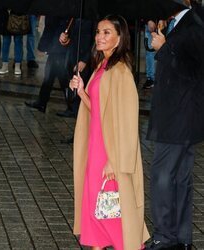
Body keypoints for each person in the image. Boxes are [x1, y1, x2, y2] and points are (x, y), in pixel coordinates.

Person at [70, 15, 149, 250]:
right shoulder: (102, 67)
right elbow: (100, 111)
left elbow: (126, 121)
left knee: (115, 218)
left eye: (106, 32)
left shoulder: (121, 72)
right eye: (97, 32)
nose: (99, 37)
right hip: (94, 151)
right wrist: (83, 92)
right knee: (96, 215)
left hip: (110, 154)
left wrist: (114, 161)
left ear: (119, 38)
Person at [145, 0, 204, 249]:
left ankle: (164, 236)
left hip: (179, 116)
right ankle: (181, 238)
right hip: (182, 116)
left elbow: (195, 72)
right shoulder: (182, 23)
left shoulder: (194, 26)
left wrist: (164, 48)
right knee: (180, 178)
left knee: (162, 176)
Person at [25, 16, 71, 113]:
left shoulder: (57, 9)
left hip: (58, 47)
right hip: (57, 46)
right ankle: (42, 102)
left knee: (61, 79)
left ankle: (72, 106)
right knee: (49, 76)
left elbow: (51, 27)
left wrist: (42, 46)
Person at [143, 20, 156, 89]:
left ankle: (151, 79)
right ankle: (151, 78)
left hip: (154, 21)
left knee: (150, 53)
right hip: (152, 21)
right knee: (149, 53)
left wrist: (150, 19)